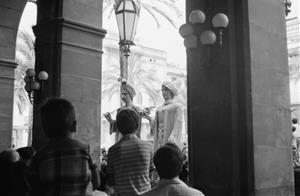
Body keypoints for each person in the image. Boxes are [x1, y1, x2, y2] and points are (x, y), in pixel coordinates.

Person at [29, 98, 100, 196]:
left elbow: (34, 189)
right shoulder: (84, 151)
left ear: (44, 129)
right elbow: (97, 183)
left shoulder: (39, 157)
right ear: (74, 125)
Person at [105, 108, 154, 196]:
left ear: (118, 127)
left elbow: (111, 179)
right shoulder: (148, 147)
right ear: (137, 125)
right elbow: (150, 173)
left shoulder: (113, 150)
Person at [144, 81, 185, 151]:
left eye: (166, 90)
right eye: (162, 90)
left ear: (171, 91)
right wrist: (149, 118)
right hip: (159, 140)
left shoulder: (177, 107)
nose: (163, 92)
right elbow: (156, 125)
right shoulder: (159, 109)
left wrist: (172, 139)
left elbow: (178, 125)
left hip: (169, 141)